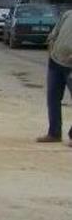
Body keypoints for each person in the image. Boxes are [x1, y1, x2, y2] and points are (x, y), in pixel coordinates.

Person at [37, 8, 72, 144]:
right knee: (52, 99)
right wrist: (51, 46)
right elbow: (54, 34)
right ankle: (54, 133)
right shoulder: (68, 14)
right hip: (55, 62)